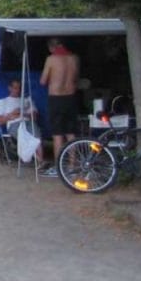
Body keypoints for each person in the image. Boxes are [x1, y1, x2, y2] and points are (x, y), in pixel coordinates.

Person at [40, 37, 80, 176]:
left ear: (51, 48)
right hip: (70, 97)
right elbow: (75, 79)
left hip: (56, 98)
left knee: (57, 134)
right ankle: (72, 166)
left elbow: (43, 81)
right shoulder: (73, 59)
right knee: (70, 133)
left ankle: (59, 167)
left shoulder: (51, 59)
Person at [0, 79, 42, 165]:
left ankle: (40, 161)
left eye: (19, 88)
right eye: (15, 88)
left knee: (36, 136)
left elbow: (34, 117)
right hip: (14, 124)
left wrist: (21, 114)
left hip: (28, 122)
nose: (17, 90)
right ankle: (40, 161)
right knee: (24, 136)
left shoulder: (27, 100)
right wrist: (12, 114)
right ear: (10, 88)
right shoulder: (3, 102)